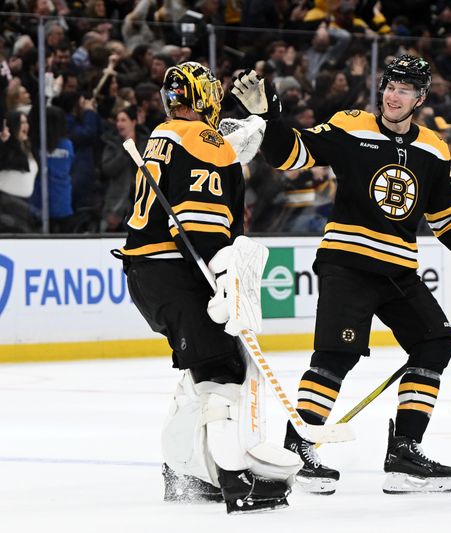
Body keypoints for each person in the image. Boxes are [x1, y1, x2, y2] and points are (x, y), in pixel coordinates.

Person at [230, 54, 451, 495]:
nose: (393, 95)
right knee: (335, 356)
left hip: (398, 271)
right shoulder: (351, 125)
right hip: (347, 263)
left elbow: (447, 222)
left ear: (420, 98)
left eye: (404, 89)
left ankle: (404, 452)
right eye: (390, 85)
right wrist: (271, 117)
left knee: (435, 340)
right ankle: (300, 448)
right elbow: (290, 154)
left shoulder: (434, 149)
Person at [114, 61, 299, 513]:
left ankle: (187, 473)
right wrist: (223, 277)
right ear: (203, 98)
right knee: (223, 375)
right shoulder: (203, 141)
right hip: (175, 271)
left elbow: (220, 161)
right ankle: (236, 486)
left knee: (199, 373)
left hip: (149, 272)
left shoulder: (167, 134)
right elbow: (201, 224)